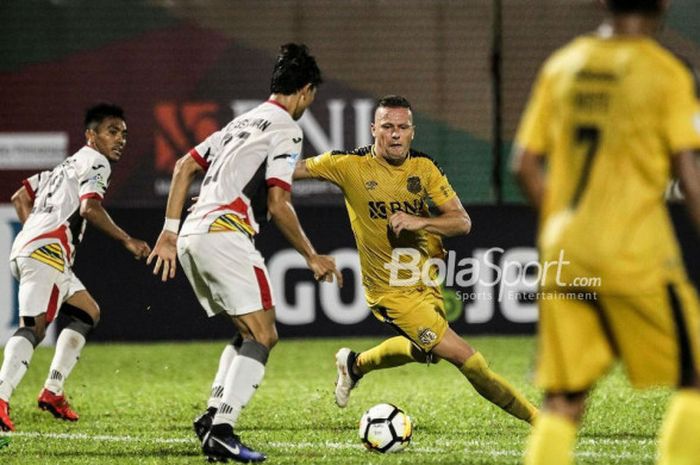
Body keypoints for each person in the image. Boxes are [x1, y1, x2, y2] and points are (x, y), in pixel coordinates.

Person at [512, 1, 700, 464]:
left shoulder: (563, 65)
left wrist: (565, 226)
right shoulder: (665, 73)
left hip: (564, 251)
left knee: (564, 399)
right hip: (635, 253)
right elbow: (689, 177)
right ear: (664, 5)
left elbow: (523, 165)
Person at [147, 43, 342, 463]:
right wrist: (311, 254)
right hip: (224, 233)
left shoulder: (242, 121)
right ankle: (222, 428)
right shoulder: (287, 128)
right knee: (264, 334)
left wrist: (168, 232)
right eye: (312, 97)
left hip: (192, 234)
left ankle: (212, 415)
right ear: (305, 91)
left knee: (245, 331)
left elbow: (183, 166)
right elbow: (278, 205)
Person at [295, 95, 539, 425]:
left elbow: (462, 222)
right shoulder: (346, 165)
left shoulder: (424, 169)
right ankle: (542, 421)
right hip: (390, 293)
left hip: (425, 282)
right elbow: (286, 172)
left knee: (427, 353)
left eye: (402, 127)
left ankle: (354, 364)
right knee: (470, 361)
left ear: (412, 131)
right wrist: (227, 185)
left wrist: (421, 222)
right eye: (387, 127)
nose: (395, 134)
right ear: (373, 130)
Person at [0, 103, 151, 432]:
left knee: (87, 312)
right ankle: (0, 397)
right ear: (91, 136)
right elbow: (89, 209)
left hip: (36, 250)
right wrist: (127, 240)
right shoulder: (96, 162)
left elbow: (19, 197)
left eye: (124, 133)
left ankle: (52, 391)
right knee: (33, 328)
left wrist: (32, 233)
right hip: (47, 254)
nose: (120, 139)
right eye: (112, 131)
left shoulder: (63, 167)